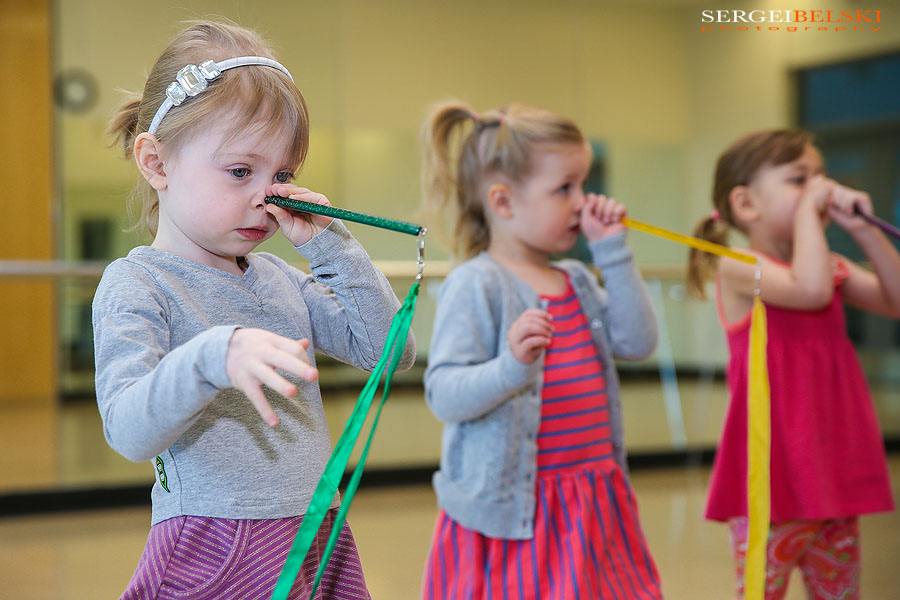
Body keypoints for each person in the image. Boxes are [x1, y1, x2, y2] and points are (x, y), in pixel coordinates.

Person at [96, 20, 415, 600]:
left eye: (283, 176)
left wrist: (330, 242)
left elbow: (388, 351)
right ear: (156, 163)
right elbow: (127, 430)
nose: (265, 198)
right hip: (215, 544)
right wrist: (211, 356)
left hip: (315, 532)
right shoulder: (139, 284)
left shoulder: (277, 278)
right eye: (241, 171)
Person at [419, 101, 663, 599]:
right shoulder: (476, 283)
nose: (583, 201)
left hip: (592, 503)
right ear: (504, 202)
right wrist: (512, 367)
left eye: (583, 184)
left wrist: (613, 251)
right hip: (516, 513)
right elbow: (444, 394)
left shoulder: (575, 278)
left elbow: (637, 342)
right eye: (564, 188)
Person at [688, 129, 899, 599]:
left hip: (830, 471)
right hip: (771, 479)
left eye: (821, 177)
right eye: (799, 179)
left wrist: (863, 228)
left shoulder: (827, 265)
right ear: (746, 204)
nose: (819, 190)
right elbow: (808, 290)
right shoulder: (736, 264)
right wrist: (812, 211)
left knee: (841, 591)